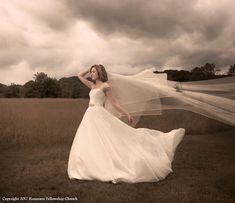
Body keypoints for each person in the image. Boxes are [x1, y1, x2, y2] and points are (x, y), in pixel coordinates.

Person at [67, 64, 185, 184]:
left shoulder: (105, 86)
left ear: (99, 73)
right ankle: (85, 166)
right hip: (89, 115)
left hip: (99, 114)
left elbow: (114, 103)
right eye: (91, 72)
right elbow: (79, 75)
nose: (91, 74)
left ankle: (105, 167)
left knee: (108, 140)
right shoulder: (92, 85)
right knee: (88, 140)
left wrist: (127, 114)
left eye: (93, 72)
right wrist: (90, 67)